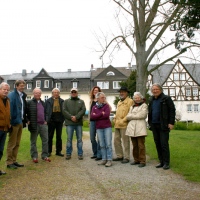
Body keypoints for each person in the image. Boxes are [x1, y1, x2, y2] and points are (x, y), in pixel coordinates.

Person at [148, 83, 176, 170]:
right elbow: (150, 111)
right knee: (157, 144)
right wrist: (150, 123)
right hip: (154, 124)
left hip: (163, 125)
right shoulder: (151, 99)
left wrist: (171, 123)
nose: (155, 91)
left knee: (164, 144)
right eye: (153, 90)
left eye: (157, 89)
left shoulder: (166, 99)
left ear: (160, 90)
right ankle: (161, 161)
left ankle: (166, 163)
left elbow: (172, 110)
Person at [7, 80, 27, 169]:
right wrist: (10, 122)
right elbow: (9, 110)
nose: (22, 87)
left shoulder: (22, 96)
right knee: (12, 143)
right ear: (16, 86)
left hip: (20, 121)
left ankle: (14, 160)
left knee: (17, 143)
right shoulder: (12, 95)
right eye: (21, 86)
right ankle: (9, 162)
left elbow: (22, 109)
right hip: (14, 122)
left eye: (23, 85)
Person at [27, 88, 51, 163]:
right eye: (36, 93)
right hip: (34, 125)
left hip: (43, 125)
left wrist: (46, 120)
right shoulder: (29, 102)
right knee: (33, 141)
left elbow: (46, 113)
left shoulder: (43, 103)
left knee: (45, 141)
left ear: (41, 94)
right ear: (33, 94)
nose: (38, 94)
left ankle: (44, 156)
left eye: (39, 93)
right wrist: (27, 120)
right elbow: (26, 113)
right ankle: (34, 156)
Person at [62, 88, 86, 160]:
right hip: (69, 123)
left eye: (75, 92)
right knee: (69, 139)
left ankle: (80, 153)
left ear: (77, 93)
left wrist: (77, 117)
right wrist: (71, 117)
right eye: (72, 92)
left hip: (78, 123)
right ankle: (68, 153)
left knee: (79, 139)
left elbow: (83, 110)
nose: (73, 93)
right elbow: (64, 111)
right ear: (70, 93)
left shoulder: (81, 101)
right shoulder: (66, 101)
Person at [126, 92, 148, 167]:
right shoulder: (132, 106)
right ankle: (136, 159)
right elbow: (128, 116)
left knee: (141, 145)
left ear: (141, 98)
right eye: (135, 98)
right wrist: (134, 115)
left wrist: (132, 116)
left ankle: (142, 161)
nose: (137, 99)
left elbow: (143, 115)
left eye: (138, 98)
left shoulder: (144, 105)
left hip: (140, 127)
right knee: (134, 145)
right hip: (132, 128)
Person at [90, 92, 112, 167]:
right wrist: (101, 113)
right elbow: (92, 117)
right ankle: (104, 159)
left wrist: (97, 115)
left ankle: (109, 159)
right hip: (99, 128)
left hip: (107, 127)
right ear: (98, 98)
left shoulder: (106, 106)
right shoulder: (94, 107)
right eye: (102, 98)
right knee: (102, 144)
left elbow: (106, 115)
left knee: (108, 144)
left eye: (104, 97)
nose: (104, 99)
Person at [113, 86, 133, 164]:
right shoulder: (119, 102)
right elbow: (117, 112)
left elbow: (130, 113)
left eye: (123, 92)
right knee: (116, 141)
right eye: (120, 92)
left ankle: (127, 157)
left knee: (126, 142)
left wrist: (123, 120)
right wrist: (115, 119)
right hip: (117, 124)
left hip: (125, 124)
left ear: (126, 93)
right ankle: (119, 156)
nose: (121, 93)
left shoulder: (130, 101)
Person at [45, 88, 65, 157]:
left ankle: (58, 151)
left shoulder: (62, 101)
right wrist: (47, 119)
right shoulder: (48, 101)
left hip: (59, 121)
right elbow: (46, 111)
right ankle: (49, 151)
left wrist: (63, 119)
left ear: (59, 93)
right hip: (51, 121)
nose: (56, 93)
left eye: (57, 92)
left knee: (59, 137)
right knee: (50, 136)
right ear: (52, 93)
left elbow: (64, 111)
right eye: (54, 92)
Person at [0, 82, 11, 175]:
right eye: (4, 89)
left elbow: (7, 114)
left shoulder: (7, 100)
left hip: (4, 129)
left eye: (7, 90)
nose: (6, 91)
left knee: (0, 150)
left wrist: (9, 123)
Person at [89, 86, 102, 160]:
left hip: (99, 121)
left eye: (97, 90)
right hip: (92, 121)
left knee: (99, 138)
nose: (95, 92)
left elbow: (108, 107)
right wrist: (89, 121)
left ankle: (99, 154)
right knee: (92, 138)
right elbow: (90, 112)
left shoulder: (101, 100)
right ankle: (95, 153)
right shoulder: (91, 100)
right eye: (94, 90)